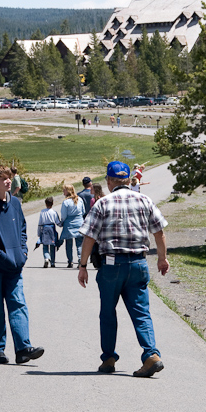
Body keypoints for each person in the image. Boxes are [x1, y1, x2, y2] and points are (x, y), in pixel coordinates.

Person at [77, 161, 169, 378]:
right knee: (141, 312)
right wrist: (162, 259)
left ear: (109, 181)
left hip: (111, 264)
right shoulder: (144, 200)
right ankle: (151, 355)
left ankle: (108, 358)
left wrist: (82, 266)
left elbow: (89, 237)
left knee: (108, 312)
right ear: (128, 180)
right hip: (138, 263)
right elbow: (159, 232)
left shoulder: (102, 204)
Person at [0, 165, 45, 365]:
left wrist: (22, 251)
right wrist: (1, 256)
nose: (8, 181)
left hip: (15, 267)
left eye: (8, 178)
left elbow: (22, 228)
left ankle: (23, 349)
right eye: (3, 179)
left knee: (18, 305)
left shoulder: (14, 203)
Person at [59, 184, 85, 268]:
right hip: (79, 223)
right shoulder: (79, 199)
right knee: (79, 243)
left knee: (68, 244)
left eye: (64, 190)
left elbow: (63, 215)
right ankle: (80, 259)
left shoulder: (66, 202)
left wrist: (62, 222)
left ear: (68, 191)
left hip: (69, 223)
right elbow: (83, 211)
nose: (63, 192)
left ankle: (70, 261)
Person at [37, 196, 60, 268]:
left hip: (44, 229)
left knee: (45, 245)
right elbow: (57, 222)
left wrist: (39, 233)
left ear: (45, 204)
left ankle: (46, 258)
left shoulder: (42, 212)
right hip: (52, 229)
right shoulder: (54, 212)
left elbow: (40, 223)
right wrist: (61, 224)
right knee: (52, 246)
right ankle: (52, 262)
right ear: (52, 203)